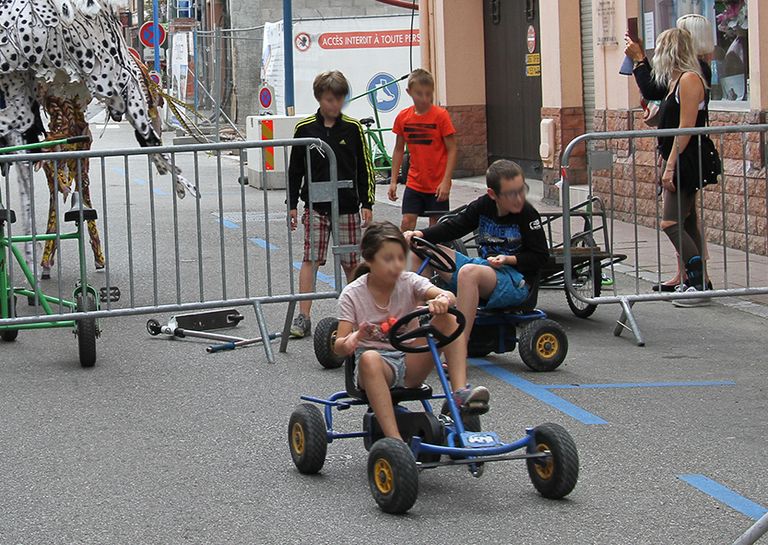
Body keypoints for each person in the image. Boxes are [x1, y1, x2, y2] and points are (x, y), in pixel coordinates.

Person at [333, 222, 490, 441]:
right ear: (369, 260)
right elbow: (339, 345)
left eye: (400, 258)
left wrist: (442, 300)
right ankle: (394, 440)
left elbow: (447, 295)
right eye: (388, 259)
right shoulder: (353, 294)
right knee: (369, 358)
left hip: (409, 361)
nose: (396, 265)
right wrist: (351, 340)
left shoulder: (408, 281)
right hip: (377, 369)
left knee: (448, 317)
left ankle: (459, 393)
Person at [404, 160, 549, 341]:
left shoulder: (527, 214)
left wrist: (508, 259)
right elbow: (455, 227)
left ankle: (459, 345)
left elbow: (541, 256)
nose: (519, 198)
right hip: (485, 269)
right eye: (511, 193)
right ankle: (411, 329)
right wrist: (420, 234)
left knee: (468, 272)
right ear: (492, 194)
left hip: (516, 281)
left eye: (522, 190)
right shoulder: (483, 205)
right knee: (421, 249)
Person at [625, 14, 713, 295]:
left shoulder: (689, 79)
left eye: (660, 52)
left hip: (686, 157)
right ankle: (696, 281)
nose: (657, 59)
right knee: (686, 219)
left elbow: (685, 127)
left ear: (671, 53)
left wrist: (671, 165)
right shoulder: (678, 80)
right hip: (678, 154)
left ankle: (696, 280)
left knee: (670, 222)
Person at [288, 70, 376, 338]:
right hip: (315, 206)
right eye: (329, 100)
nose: (334, 105)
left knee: (351, 262)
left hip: (347, 206)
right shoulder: (304, 130)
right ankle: (304, 317)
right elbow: (295, 170)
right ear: (319, 99)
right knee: (311, 259)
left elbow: (365, 167)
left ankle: (359, 315)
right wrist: (292, 204)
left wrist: (367, 202)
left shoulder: (353, 128)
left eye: (338, 100)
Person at [387, 69, 457, 234]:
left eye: (428, 94)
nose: (425, 99)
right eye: (419, 94)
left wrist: (446, 181)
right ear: (409, 92)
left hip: (437, 184)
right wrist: (394, 180)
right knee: (406, 222)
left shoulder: (441, 116)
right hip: (415, 182)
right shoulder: (403, 117)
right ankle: (406, 257)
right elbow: (398, 150)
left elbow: (452, 149)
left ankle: (433, 258)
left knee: (437, 228)